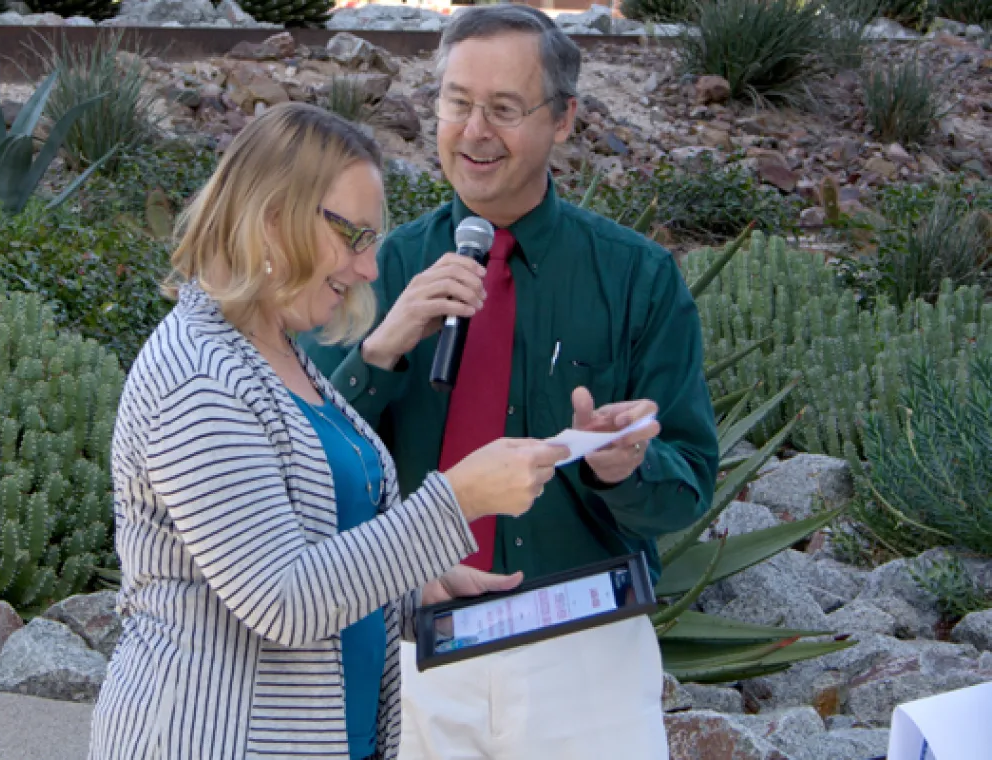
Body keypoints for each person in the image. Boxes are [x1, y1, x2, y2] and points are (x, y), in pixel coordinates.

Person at [88, 101, 569, 760]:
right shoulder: (196, 379)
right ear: (273, 218)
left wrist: (417, 585)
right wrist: (456, 502)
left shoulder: (277, 352)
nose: (370, 268)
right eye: (354, 236)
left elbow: (318, 541)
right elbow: (283, 600)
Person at [300, 6, 719, 759]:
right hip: (414, 644)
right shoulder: (376, 266)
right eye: (457, 103)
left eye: (503, 108)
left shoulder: (637, 279)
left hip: (584, 653)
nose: (474, 132)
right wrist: (383, 351)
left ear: (563, 120)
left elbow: (688, 485)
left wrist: (624, 467)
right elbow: (303, 472)